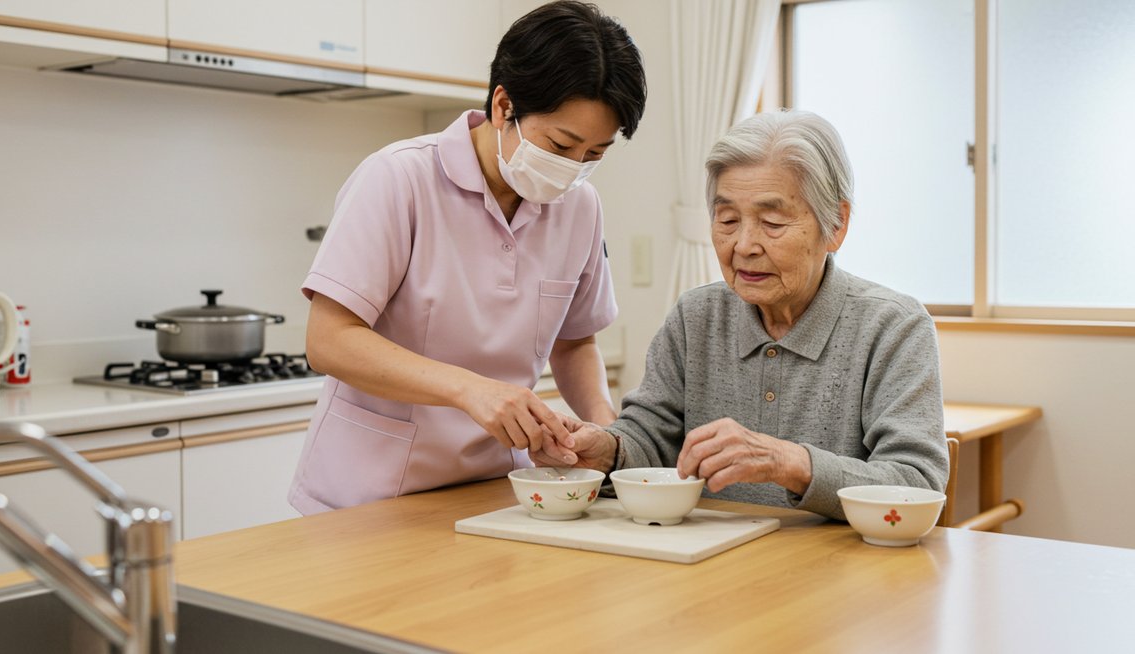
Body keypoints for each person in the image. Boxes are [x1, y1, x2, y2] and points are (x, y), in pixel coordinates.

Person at [289, 1, 647, 513]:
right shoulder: (399, 179)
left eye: (594, 155)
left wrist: (603, 432)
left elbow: (575, 341)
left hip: (495, 489)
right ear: (504, 106)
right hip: (368, 495)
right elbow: (329, 341)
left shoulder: (580, 207)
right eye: (561, 145)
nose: (572, 170)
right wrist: (470, 390)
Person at [532, 110, 949, 520]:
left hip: (843, 576)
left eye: (771, 221)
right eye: (727, 219)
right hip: (711, 567)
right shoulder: (696, 317)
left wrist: (792, 463)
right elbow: (649, 438)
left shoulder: (894, 327)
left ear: (836, 225)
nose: (744, 244)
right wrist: (606, 449)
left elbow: (917, 483)